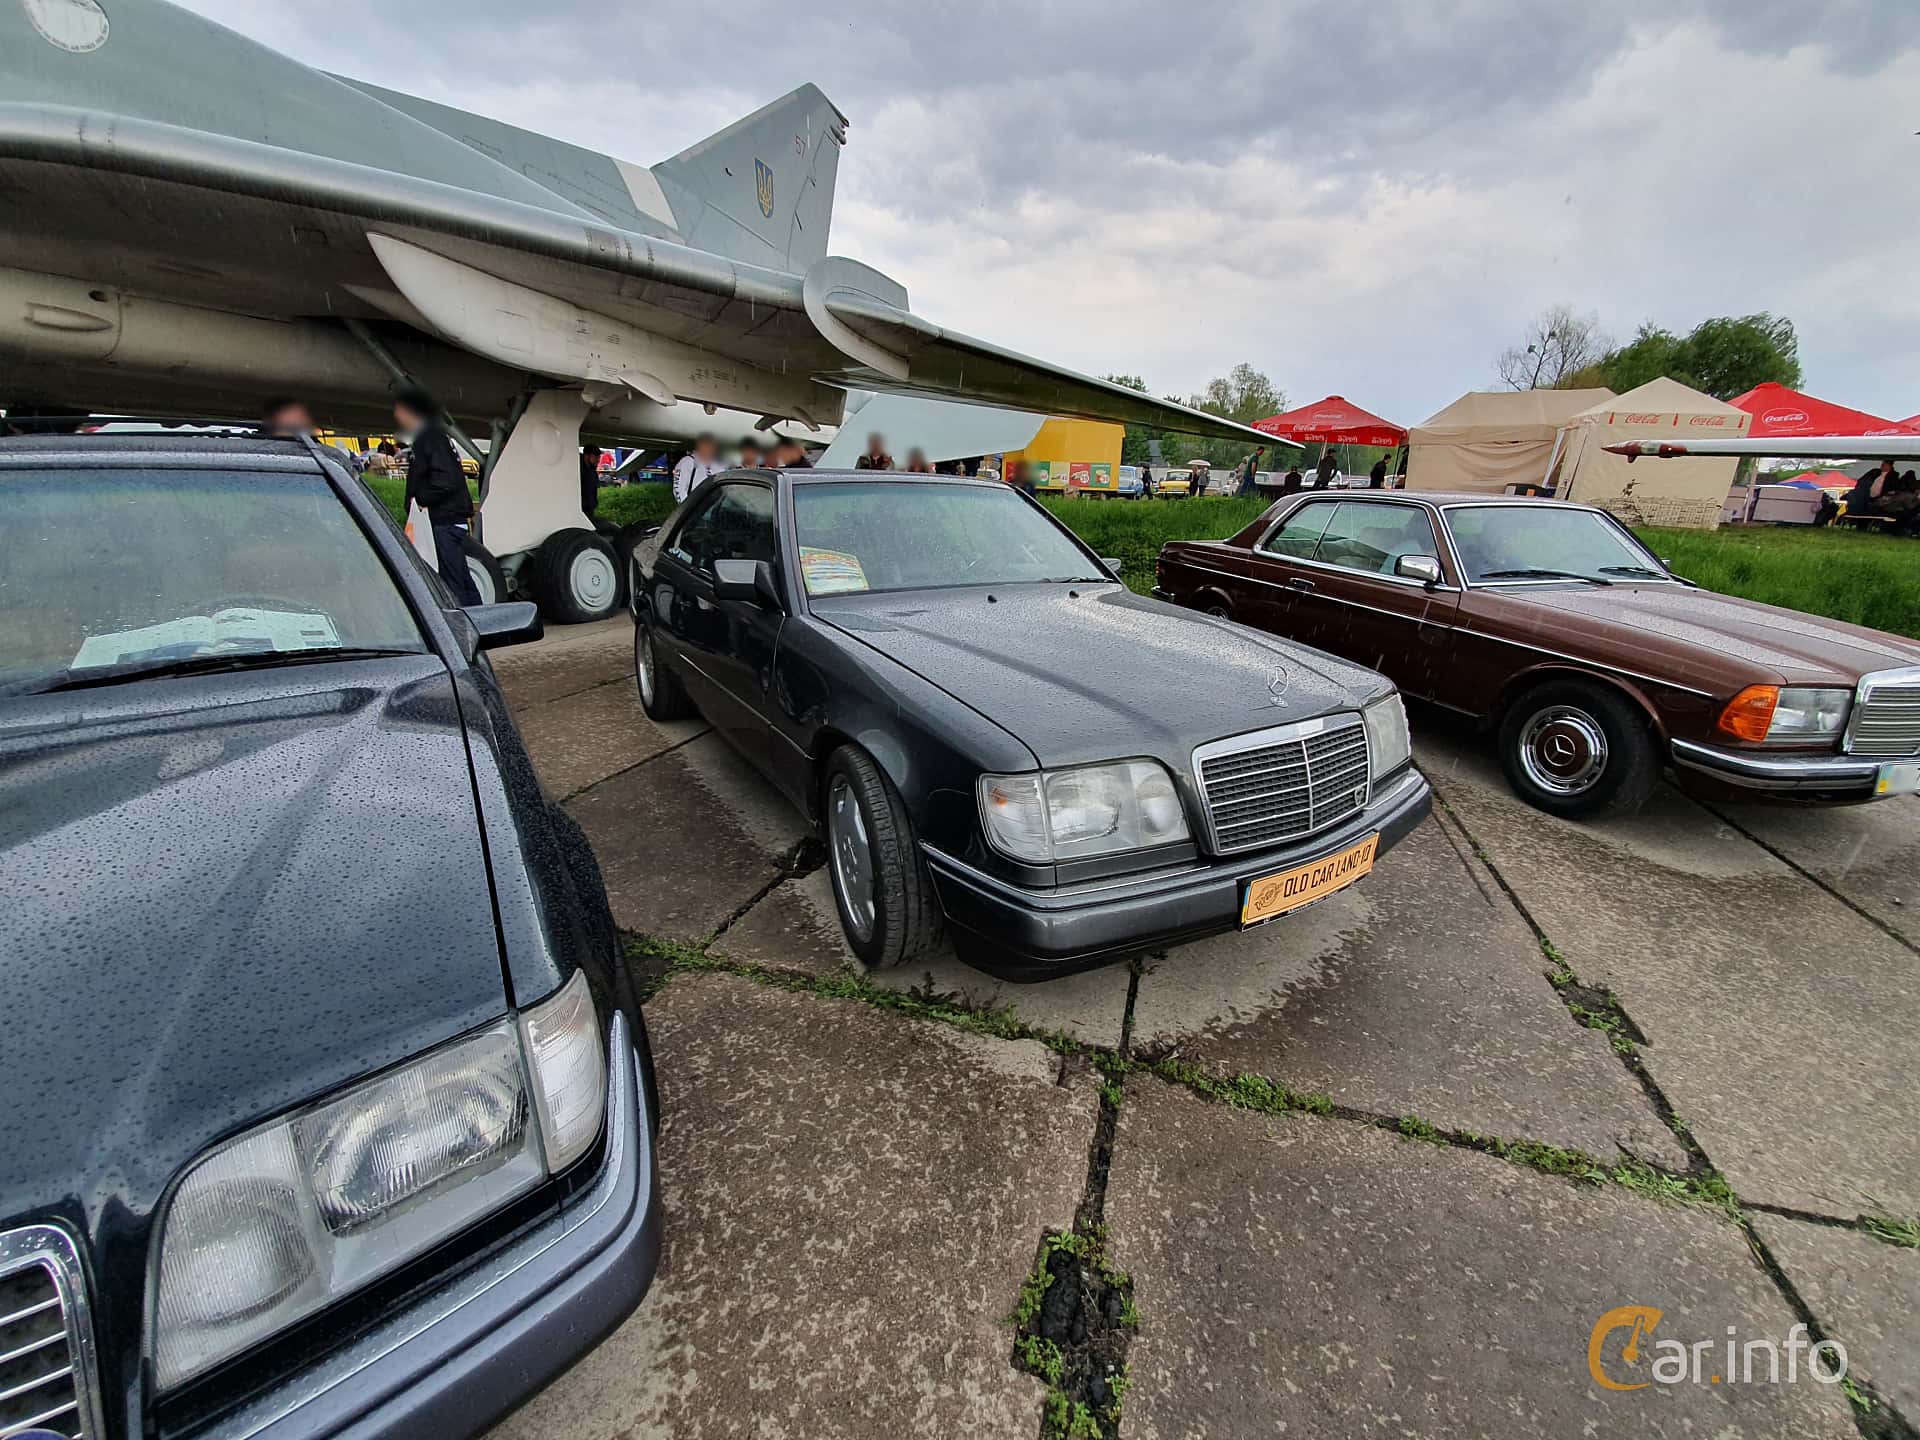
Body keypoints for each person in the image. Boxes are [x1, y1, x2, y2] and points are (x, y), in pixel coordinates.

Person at [394, 387, 481, 607]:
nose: (397, 415)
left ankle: (466, 622)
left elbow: (446, 479)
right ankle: (480, 619)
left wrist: (420, 499)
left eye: (400, 410)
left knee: (452, 582)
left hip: (444, 521)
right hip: (448, 520)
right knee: (460, 578)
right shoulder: (434, 436)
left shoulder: (429, 437)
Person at [672, 433, 719, 502]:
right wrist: (688, 506)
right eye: (706, 445)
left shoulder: (717, 465)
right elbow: (679, 490)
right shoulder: (687, 462)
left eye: (712, 446)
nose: (709, 449)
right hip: (694, 505)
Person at [580, 446, 603, 521]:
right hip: (581, 509)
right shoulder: (578, 470)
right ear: (586, 456)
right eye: (595, 457)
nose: (598, 460)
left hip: (589, 508)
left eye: (599, 457)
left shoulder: (592, 470)